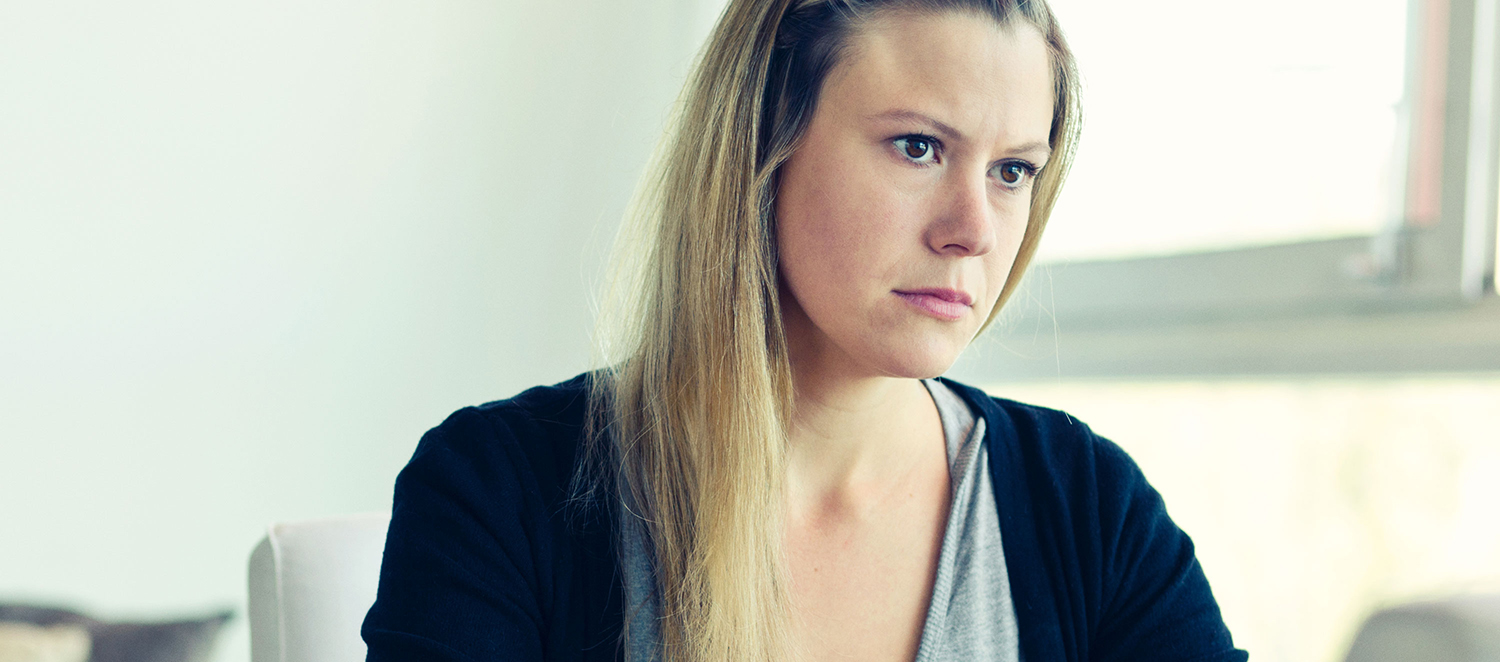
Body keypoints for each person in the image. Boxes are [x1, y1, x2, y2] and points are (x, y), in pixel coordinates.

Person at [362, 0, 1248, 660]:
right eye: (918, 147)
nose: (974, 228)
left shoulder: (1088, 508)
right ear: (762, 141)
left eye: (1013, 170)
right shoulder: (496, 494)